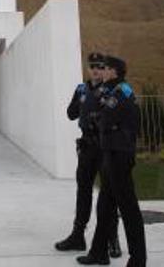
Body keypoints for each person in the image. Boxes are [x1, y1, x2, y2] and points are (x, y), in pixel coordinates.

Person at [77, 54, 146, 266]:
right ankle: (99, 251)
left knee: (128, 208)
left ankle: (138, 258)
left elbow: (106, 118)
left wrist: (98, 118)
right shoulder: (112, 91)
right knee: (105, 207)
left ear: (114, 71)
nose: (101, 71)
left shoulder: (121, 92)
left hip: (119, 156)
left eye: (105, 68)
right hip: (111, 154)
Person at [56, 53, 121, 259]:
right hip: (86, 147)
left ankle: (112, 238)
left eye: (100, 67)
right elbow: (71, 114)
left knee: (108, 193)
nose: (96, 70)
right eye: (92, 66)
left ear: (105, 69)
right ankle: (77, 236)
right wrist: (82, 102)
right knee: (83, 191)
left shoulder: (111, 90)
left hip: (105, 147)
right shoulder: (81, 89)